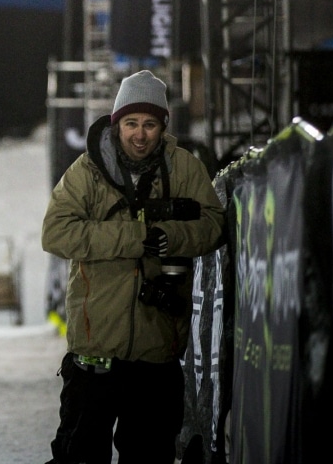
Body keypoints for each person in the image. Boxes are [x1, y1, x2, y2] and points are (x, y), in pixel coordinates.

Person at [41, 70, 224, 464]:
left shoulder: (184, 169)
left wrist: (169, 237)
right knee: (78, 456)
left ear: (163, 126)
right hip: (95, 353)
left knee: (149, 457)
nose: (140, 135)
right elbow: (55, 234)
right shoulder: (87, 172)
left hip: (156, 352)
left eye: (149, 124)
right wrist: (133, 238)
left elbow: (214, 227)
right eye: (131, 123)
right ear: (116, 123)